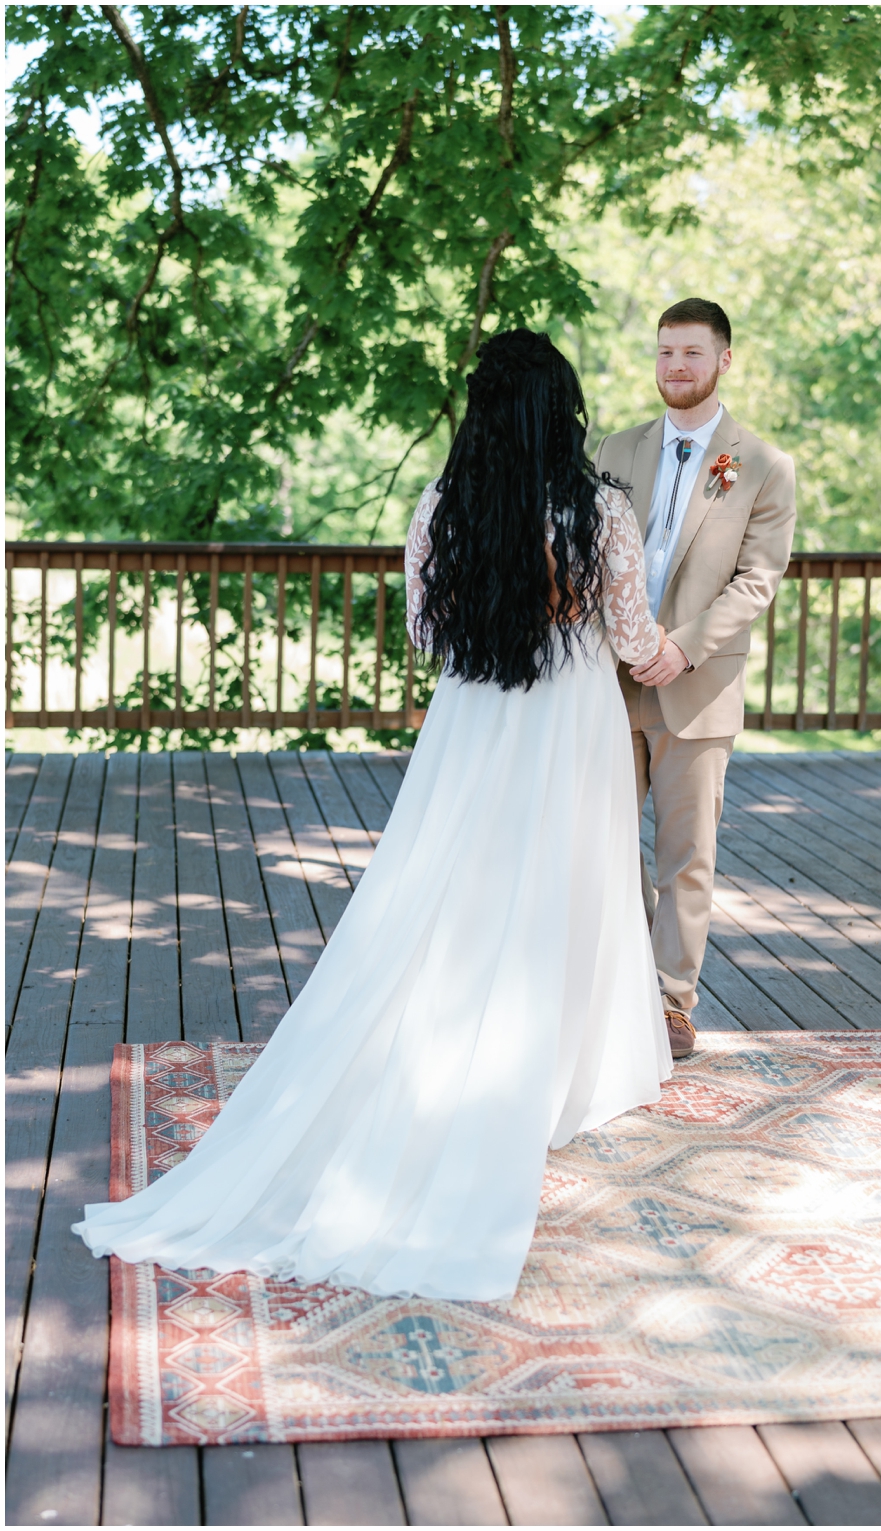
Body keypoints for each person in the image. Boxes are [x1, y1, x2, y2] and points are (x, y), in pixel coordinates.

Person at [72, 330, 672, 1304]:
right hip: (570, 717)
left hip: (475, 713)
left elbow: (428, 627)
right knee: (574, 880)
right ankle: (565, 1072)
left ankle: (454, 1039)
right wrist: (670, 656)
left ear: (480, 411)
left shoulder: (445, 501)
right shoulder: (599, 506)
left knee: (451, 884)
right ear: (560, 409)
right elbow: (632, 633)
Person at [594, 299, 796, 1060]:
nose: (674, 366)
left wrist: (680, 647)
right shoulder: (612, 449)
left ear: (724, 360)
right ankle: (609, 991)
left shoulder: (764, 466)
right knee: (602, 843)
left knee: (685, 856)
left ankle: (672, 1002)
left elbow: (756, 582)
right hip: (606, 684)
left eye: (690, 353)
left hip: (696, 683)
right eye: (663, 352)